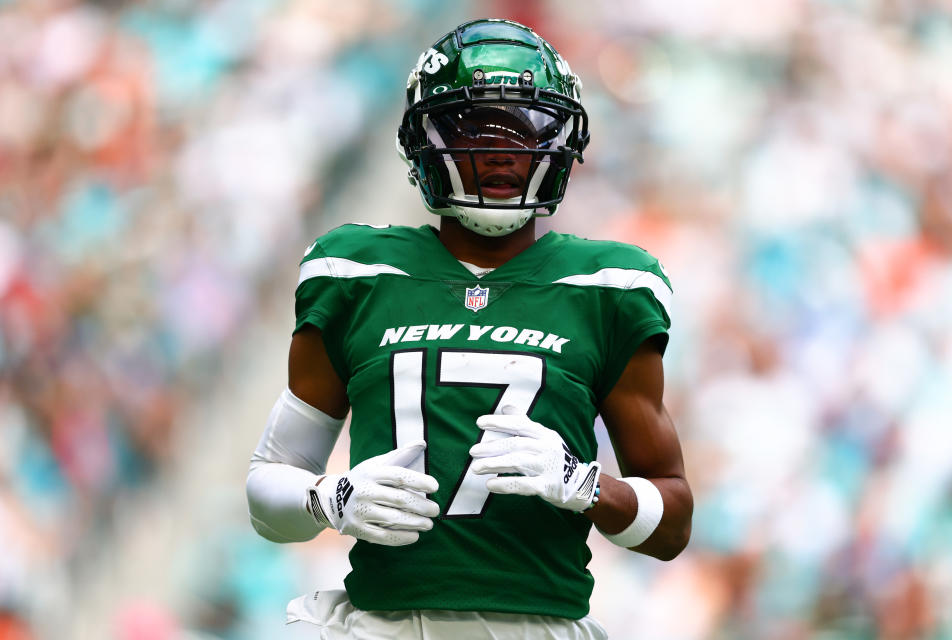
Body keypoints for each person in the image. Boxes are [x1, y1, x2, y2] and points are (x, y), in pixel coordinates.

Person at [246, 18, 693, 639]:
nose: (505, 152)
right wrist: (332, 500)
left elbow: (673, 525)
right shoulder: (354, 271)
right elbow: (269, 493)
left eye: (527, 130)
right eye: (477, 129)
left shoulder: (610, 287)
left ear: (560, 143)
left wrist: (585, 485)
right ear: (426, 141)